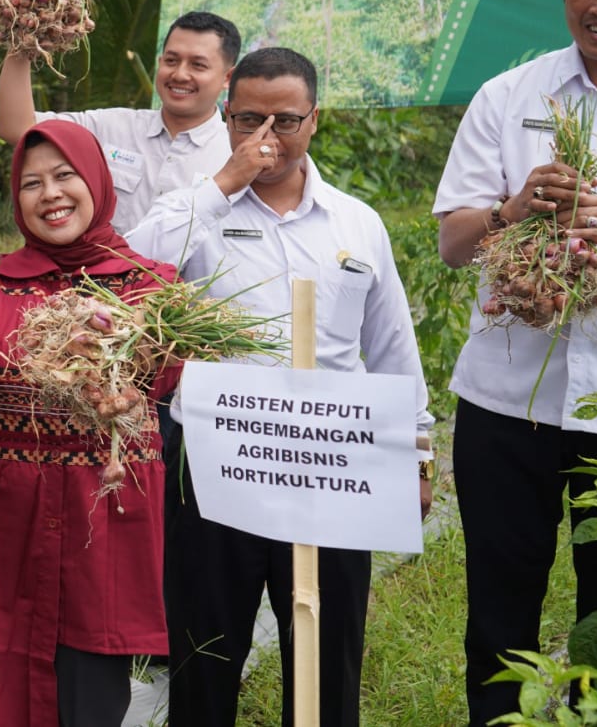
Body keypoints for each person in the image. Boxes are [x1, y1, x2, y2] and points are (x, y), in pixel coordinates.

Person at [125, 47, 433, 727]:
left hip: (329, 465)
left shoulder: (356, 223)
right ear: (226, 119)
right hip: (216, 465)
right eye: (247, 119)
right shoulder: (194, 212)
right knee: (204, 652)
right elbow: (132, 268)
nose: (267, 137)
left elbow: (390, 346)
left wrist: (416, 451)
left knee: (326, 654)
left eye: (285, 119)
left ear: (314, 119)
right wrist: (223, 182)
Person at [431, 0, 597, 727]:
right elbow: (451, 243)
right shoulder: (511, 94)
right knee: (499, 616)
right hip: (509, 410)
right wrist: (512, 212)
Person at [0, 121, 177, 727]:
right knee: (4, 668)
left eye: (65, 176)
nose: (50, 195)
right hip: (0, 510)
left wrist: (119, 354)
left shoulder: (151, 285)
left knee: (92, 676)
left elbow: (162, 382)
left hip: (101, 511)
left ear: (95, 180)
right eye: (32, 183)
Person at [0, 10, 241, 233]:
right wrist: (22, 39)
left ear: (228, 78)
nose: (179, 74)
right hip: (100, 281)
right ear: (159, 63)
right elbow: (18, 128)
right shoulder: (111, 126)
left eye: (198, 65)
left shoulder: (234, 155)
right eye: (171, 61)